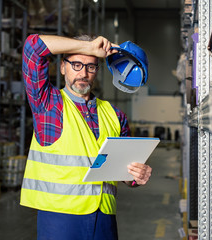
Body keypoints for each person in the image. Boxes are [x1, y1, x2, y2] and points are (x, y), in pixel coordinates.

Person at [19, 33, 152, 240]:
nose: (83, 73)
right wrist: (89, 47)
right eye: (76, 64)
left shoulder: (116, 116)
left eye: (91, 66)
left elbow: (125, 173)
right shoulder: (48, 105)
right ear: (63, 67)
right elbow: (32, 47)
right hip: (60, 219)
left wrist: (136, 176)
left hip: (104, 218)